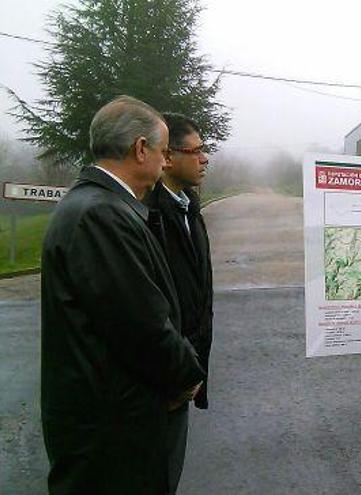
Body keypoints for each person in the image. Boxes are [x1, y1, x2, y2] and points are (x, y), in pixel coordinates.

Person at [41, 96, 205, 494]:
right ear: (140, 149)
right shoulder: (101, 215)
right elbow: (142, 325)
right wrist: (188, 374)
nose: (166, 162)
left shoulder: (102, 207)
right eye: (164, 152)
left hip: (112, 424)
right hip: (112, 437)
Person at [144, 112, 214, 493]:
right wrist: (177, 372)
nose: (204, 159)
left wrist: (194, 368)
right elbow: (150, 309)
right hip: (163, 381)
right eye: (196, 151)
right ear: (167, 158)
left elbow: (200, 295)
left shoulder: (190, 206)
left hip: (186, 372)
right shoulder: (148, 215)